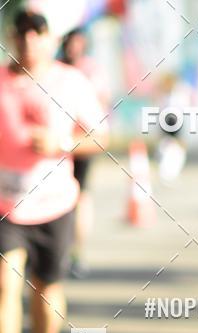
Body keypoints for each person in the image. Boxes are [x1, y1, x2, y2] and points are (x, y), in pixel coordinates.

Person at [0, 10, 108, 333]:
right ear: (13, 39)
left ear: (49, 40)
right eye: (22, 35)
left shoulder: (69, 81)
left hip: (55, 202)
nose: (29, 43)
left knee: (46, 291)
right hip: (7, 204)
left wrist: (61, 145)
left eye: (37, 35)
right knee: (4, 286)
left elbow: (101, 136)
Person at [59, 26, 110, 278]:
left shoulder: (92, 71)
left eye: (77, 43)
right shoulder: (54, 68)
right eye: (69, 43)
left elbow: (104, 104)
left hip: (83, 142)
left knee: (81, 196)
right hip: (55, 145)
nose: (72, 48)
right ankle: (61, 249)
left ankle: (76, 252)